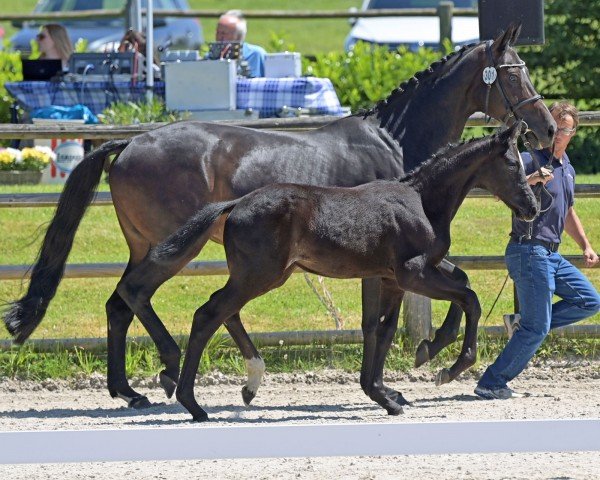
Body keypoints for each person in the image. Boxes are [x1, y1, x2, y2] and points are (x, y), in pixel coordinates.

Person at [475, 101, 600, 400]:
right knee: (537, 327)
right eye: (556, 127)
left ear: (573, 133)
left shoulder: (567, 167)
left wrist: (586, 245)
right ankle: (491, 382)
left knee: (589, 301)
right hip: (528, 250)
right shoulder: (530, 159)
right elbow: (501, 195)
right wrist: (531, 180)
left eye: (567, 129)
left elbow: (567, 211)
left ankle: (523, 323)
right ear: (548, 127)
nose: (560, 134)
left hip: (551, 255)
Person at [216, 10, 266, 78]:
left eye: (223, 33)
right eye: (217, 32)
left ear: (238, 37)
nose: (219, 37)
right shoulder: (210, 58)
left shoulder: (256, 55)